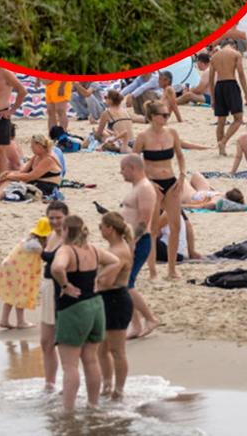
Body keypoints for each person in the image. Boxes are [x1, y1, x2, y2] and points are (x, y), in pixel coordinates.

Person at [50, 215, 122, 413]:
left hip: (74, 308)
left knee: (70, 365)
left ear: (65, 231)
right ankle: (93, 405)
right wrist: (100, 279)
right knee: (90, 359)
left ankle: (68, 411)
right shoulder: (93, 249)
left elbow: (57, 267)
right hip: (95, 306)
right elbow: (115, 261)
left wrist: (65, 284)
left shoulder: (66, 249)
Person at [134, 100, 186, 279]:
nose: (167, 117)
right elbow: (134, 161)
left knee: (176, 226)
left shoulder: (172, 133)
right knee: (153, 229)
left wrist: (182, 175)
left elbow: (180, 155)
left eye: (168, 114)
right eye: (164, 115)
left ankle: (172, 269)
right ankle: (153, 271)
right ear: (152, 117)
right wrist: (146, 181)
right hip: (152, 184)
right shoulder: (143, 136)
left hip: (171, 181)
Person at [119, 154, 160, 339]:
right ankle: (135, 324)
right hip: (128, 241)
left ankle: (150, 318)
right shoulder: (136, 187)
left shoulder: (145, 188)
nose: (121, 172)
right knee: (123, 284)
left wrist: (132, 243)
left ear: (132, 168)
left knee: (127, 284)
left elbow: (144, 219)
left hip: (138, 241)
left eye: (123, 169)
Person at [96, 212, 134, 401]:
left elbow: (107, 281)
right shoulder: (113, 247)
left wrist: (97, 277)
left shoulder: (119, 251)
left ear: (110, 229)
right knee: (101, 349)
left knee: (117, 350)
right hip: (106, 299)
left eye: (101, 226)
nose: (100, 230)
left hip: (116, 300)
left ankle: (119, 390)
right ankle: (107, 384)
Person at [0, 217, 51, 329]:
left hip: (11, 268)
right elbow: (45, 256)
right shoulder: (36, 245)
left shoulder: (29, 240)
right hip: (18, 271)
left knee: (12, 295)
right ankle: (21, 321)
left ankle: (4, 320)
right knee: (21, 295)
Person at [38, 201, 68, 392]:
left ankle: (68, 381)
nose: (55, 221)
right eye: (51, 218)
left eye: (58, 218)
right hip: (47, 287)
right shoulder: (50, 235)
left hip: (60, 289)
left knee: (63, 341)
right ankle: (49, 384)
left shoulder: (68, 238)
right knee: (45, 341)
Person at [208, 42, 247, 156]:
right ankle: (223, 142)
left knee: (221, 120)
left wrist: (212, 97)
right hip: (231, 84)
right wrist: (246, 94)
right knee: (238, 119)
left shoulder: (214, 57)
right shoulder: (236, 54)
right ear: (233, 45)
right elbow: (241, 74)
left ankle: (221, 150)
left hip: (219, 86)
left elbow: (211, 79)